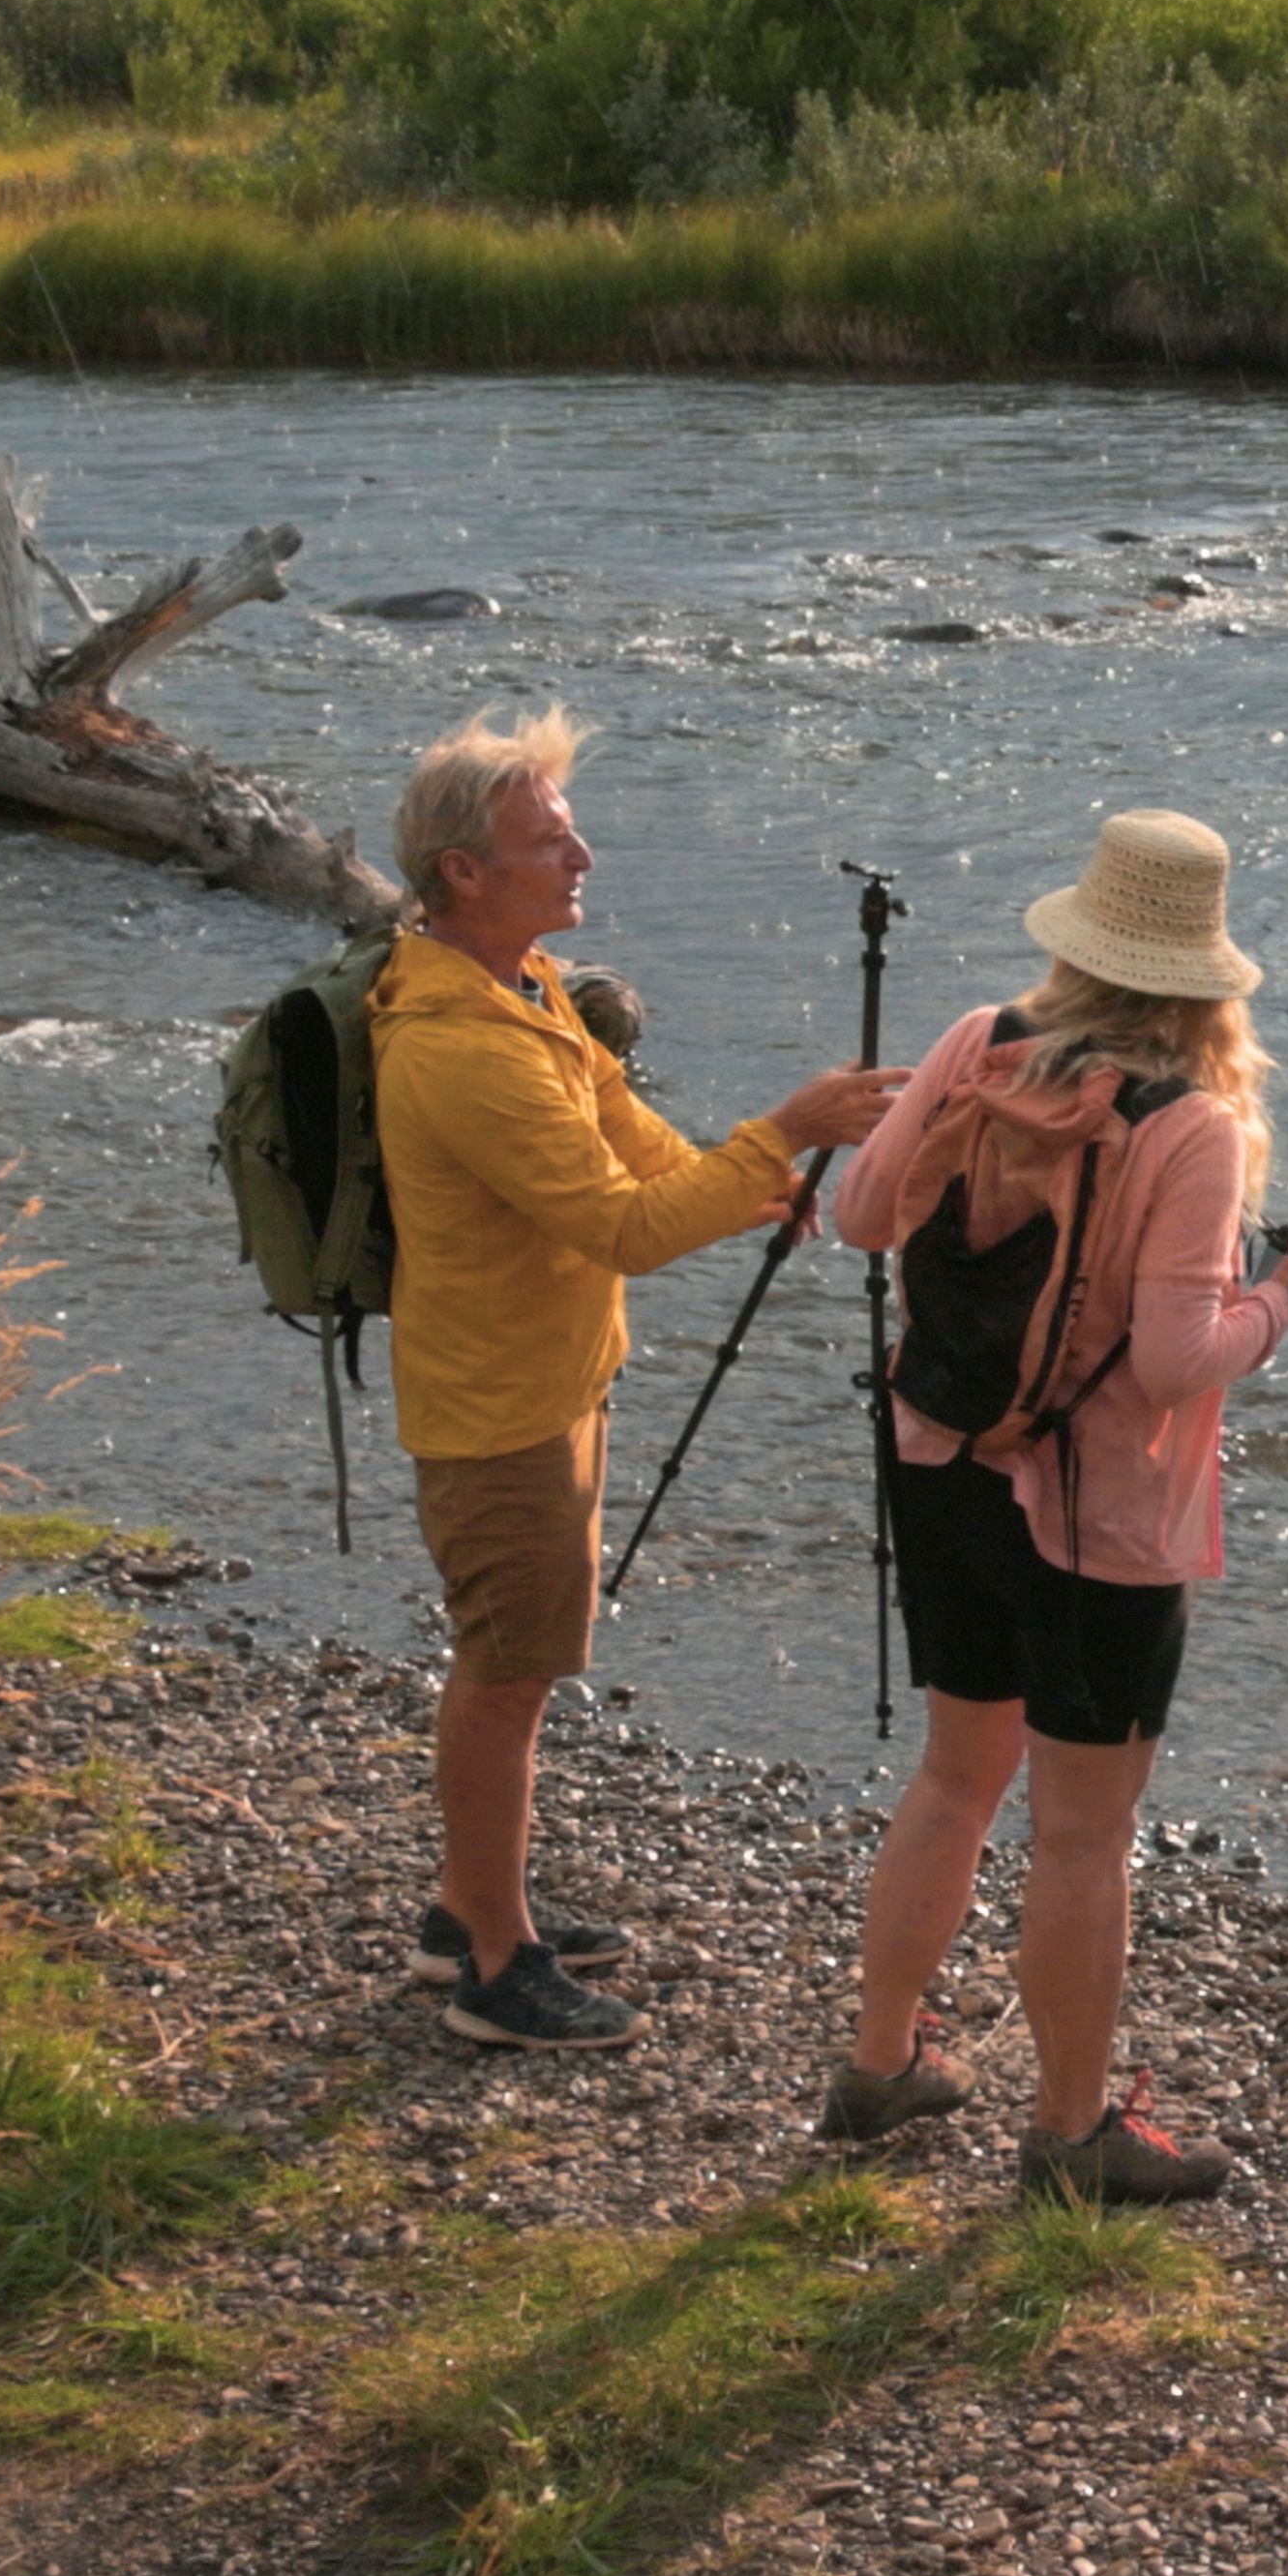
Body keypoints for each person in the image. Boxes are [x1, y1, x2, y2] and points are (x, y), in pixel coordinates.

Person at [816, 807, 1288, 2206]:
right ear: (1208, 973)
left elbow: (864, 1219)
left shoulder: (976, 1041)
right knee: (1080, 1834)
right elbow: (1180, 1358)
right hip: (1099, 1518)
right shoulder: (1193, 1128)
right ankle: (1071, 2137)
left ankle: (882, 2064)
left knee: (953, 1776)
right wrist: (1281, 1305)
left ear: (1081, 934)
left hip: (940, 1456)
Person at [373, 706, 905, 2052]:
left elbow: (636, 1143)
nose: (582, 856)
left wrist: (751, 1184)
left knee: (523, 1666)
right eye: (548, 841)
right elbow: (617, 1226)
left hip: (551, 1382)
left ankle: (466, 1904)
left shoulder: (526, 989)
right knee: (506, 1674)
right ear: (461, 876)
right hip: (498, 1412)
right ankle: (495, 1966)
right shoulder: (461, 1047)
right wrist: (782, 1132)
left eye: (569, 831)